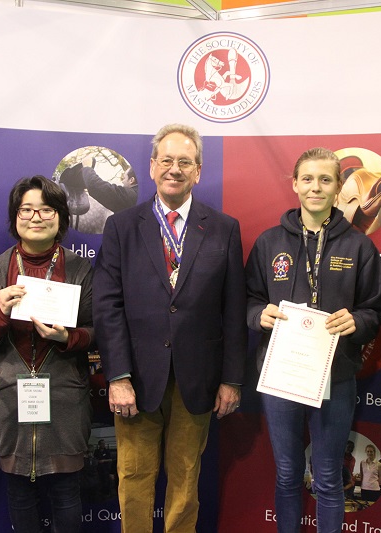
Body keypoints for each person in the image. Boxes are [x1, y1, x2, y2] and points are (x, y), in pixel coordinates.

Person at [93, 123, 247, 532]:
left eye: (184, 162)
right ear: (152, 166)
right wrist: (118, 376)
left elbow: (234, 310)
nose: (174, 169)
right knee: (134, 477)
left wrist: (231, 379)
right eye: (166, 160)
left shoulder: (224, 228)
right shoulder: (122, 226)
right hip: (137, 379)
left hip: (197, 379)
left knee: (185, 479)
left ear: (198, 171)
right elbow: (107, 307)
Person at [245, 147, 381, 533]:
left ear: (339, 187)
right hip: (281, 376)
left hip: (335, 377)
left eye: (325, 180)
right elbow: (249, 299)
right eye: (307, 179)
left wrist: (357, 320)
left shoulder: (359, 246)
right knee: (288, 473)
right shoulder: (269, 242)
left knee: (327, 477)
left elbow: (375, 311)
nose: (316, 187)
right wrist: (258, 315)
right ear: (294, 184)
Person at [0, 176, 94, 533]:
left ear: (61, 217)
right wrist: (0, 314)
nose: (36, 217)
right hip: (10, 398)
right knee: (19, 492)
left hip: (66, 397)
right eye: (26, 209)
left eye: (46, 209)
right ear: (15, 217)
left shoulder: (80, 269)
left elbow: (98, 332)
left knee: (67, 492)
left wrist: (67, 336)